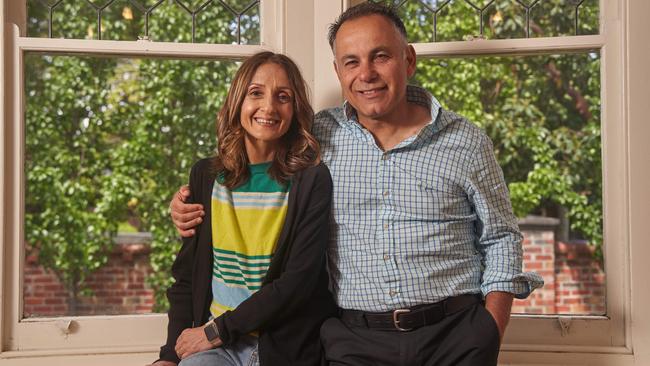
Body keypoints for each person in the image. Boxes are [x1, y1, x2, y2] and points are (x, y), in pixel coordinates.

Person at [170, 3, 543, 366]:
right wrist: (186, 204)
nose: (366, 73)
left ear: (408, 60)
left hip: (455, 335)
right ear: (338, 70)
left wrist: (490, 329)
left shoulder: (466, 141)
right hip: (357, 341)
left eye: (381, 56)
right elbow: (252, 150)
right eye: (352, 61)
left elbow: (501, 238)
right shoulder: (316, 137)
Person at [151, 51, 336, 366]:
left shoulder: (311, 180)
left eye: (283, 97)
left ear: (295, 110)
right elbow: (187, 276)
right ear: (237, 102)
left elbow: (297, 283)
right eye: (256, 93)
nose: (269, 107)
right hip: (214, 349)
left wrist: (215, 330)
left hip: (283, 349)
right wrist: (169, 356)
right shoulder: (205, 176)